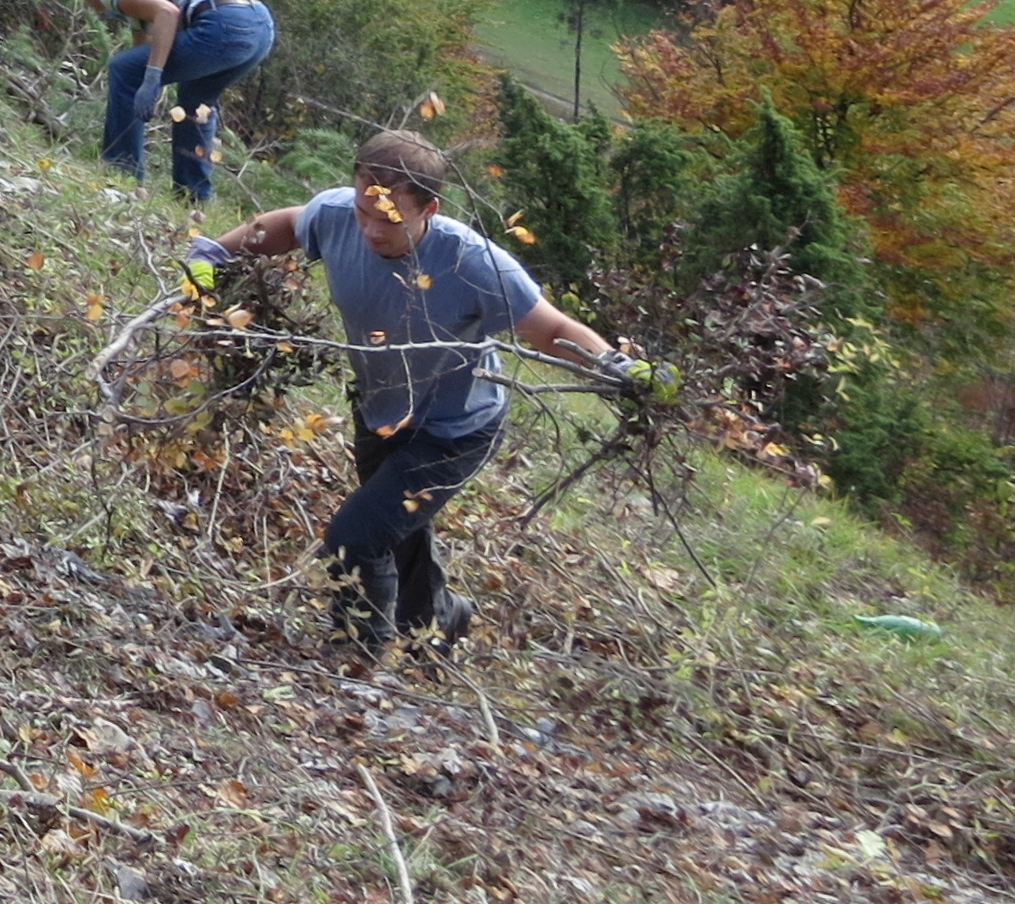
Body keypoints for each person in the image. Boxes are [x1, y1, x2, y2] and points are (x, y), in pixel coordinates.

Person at [191, 129, 664, 664]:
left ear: (429, 209)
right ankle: (439, 622)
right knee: (396, 529)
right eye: (364, 213)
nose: (370, 230)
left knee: (355, 536)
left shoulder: (471, 262)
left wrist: (621, 368)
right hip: (382, 409)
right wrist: (215, 252)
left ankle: (355, 657)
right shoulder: (338, 214)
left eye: (389, 220)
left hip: (455, 428)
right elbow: (287, 224)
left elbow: (550, 327)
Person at [75, 0, 278, 203]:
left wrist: (151, 77)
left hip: (225, 24)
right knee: (195, 101)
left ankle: (122, 176)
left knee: (123, 69)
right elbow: (145, 49)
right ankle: (193, 196)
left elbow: (167, 13)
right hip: (260, 28)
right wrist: (146, 83)